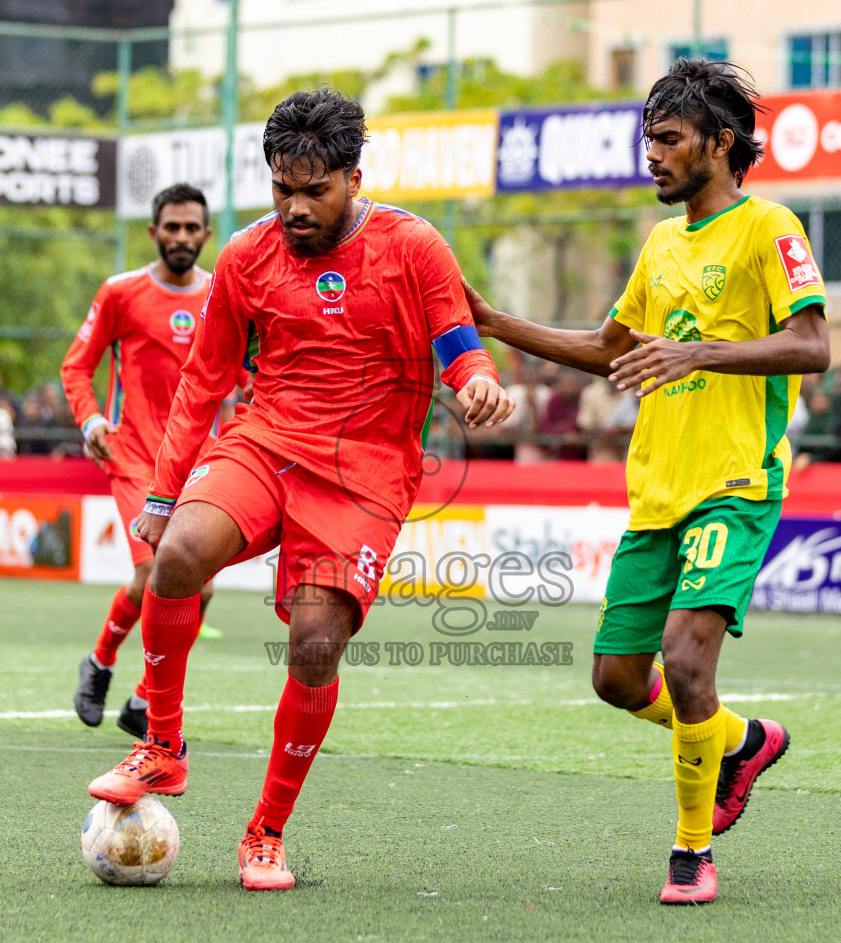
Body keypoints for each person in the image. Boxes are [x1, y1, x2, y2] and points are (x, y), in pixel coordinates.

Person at [86, 89, 511, 891]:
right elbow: (205, 378)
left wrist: (480, 381)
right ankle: (162, 748)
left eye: (315, 190)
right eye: (283, 187)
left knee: (316, 645)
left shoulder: (414, 245)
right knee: (177, 555)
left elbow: (460, 343)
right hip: (267, 443)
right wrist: (161, 491)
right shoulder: (248, 254)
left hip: (366, 476)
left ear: (354, 176)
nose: (295, 206)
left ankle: (264, 834)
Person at [464, 58, 826, 905]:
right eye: (648, 140)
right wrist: (492, 321)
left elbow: (814, 347)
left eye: (667, 139)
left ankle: (692, 852)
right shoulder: (663, 244)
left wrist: (697, 351)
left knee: (685, 658)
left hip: (735, 483)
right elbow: (610, 349)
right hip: (657, 490)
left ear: (720, 143)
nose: (651, 156)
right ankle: (739, 742)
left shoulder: (771, 226)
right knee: (618, 680)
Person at [60, 182, 226, 738]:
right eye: (171, 228)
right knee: (151, 570)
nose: (181, 237)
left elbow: (249, 375)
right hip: (133, 454)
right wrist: (90, 421)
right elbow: (76, 366)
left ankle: (141, 699)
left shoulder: (223, 296)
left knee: (200, 589)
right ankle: (102, 660)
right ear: (154, 232)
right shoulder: (120, 292)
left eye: (191, 228)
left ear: (206, 234)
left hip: (200, 460)